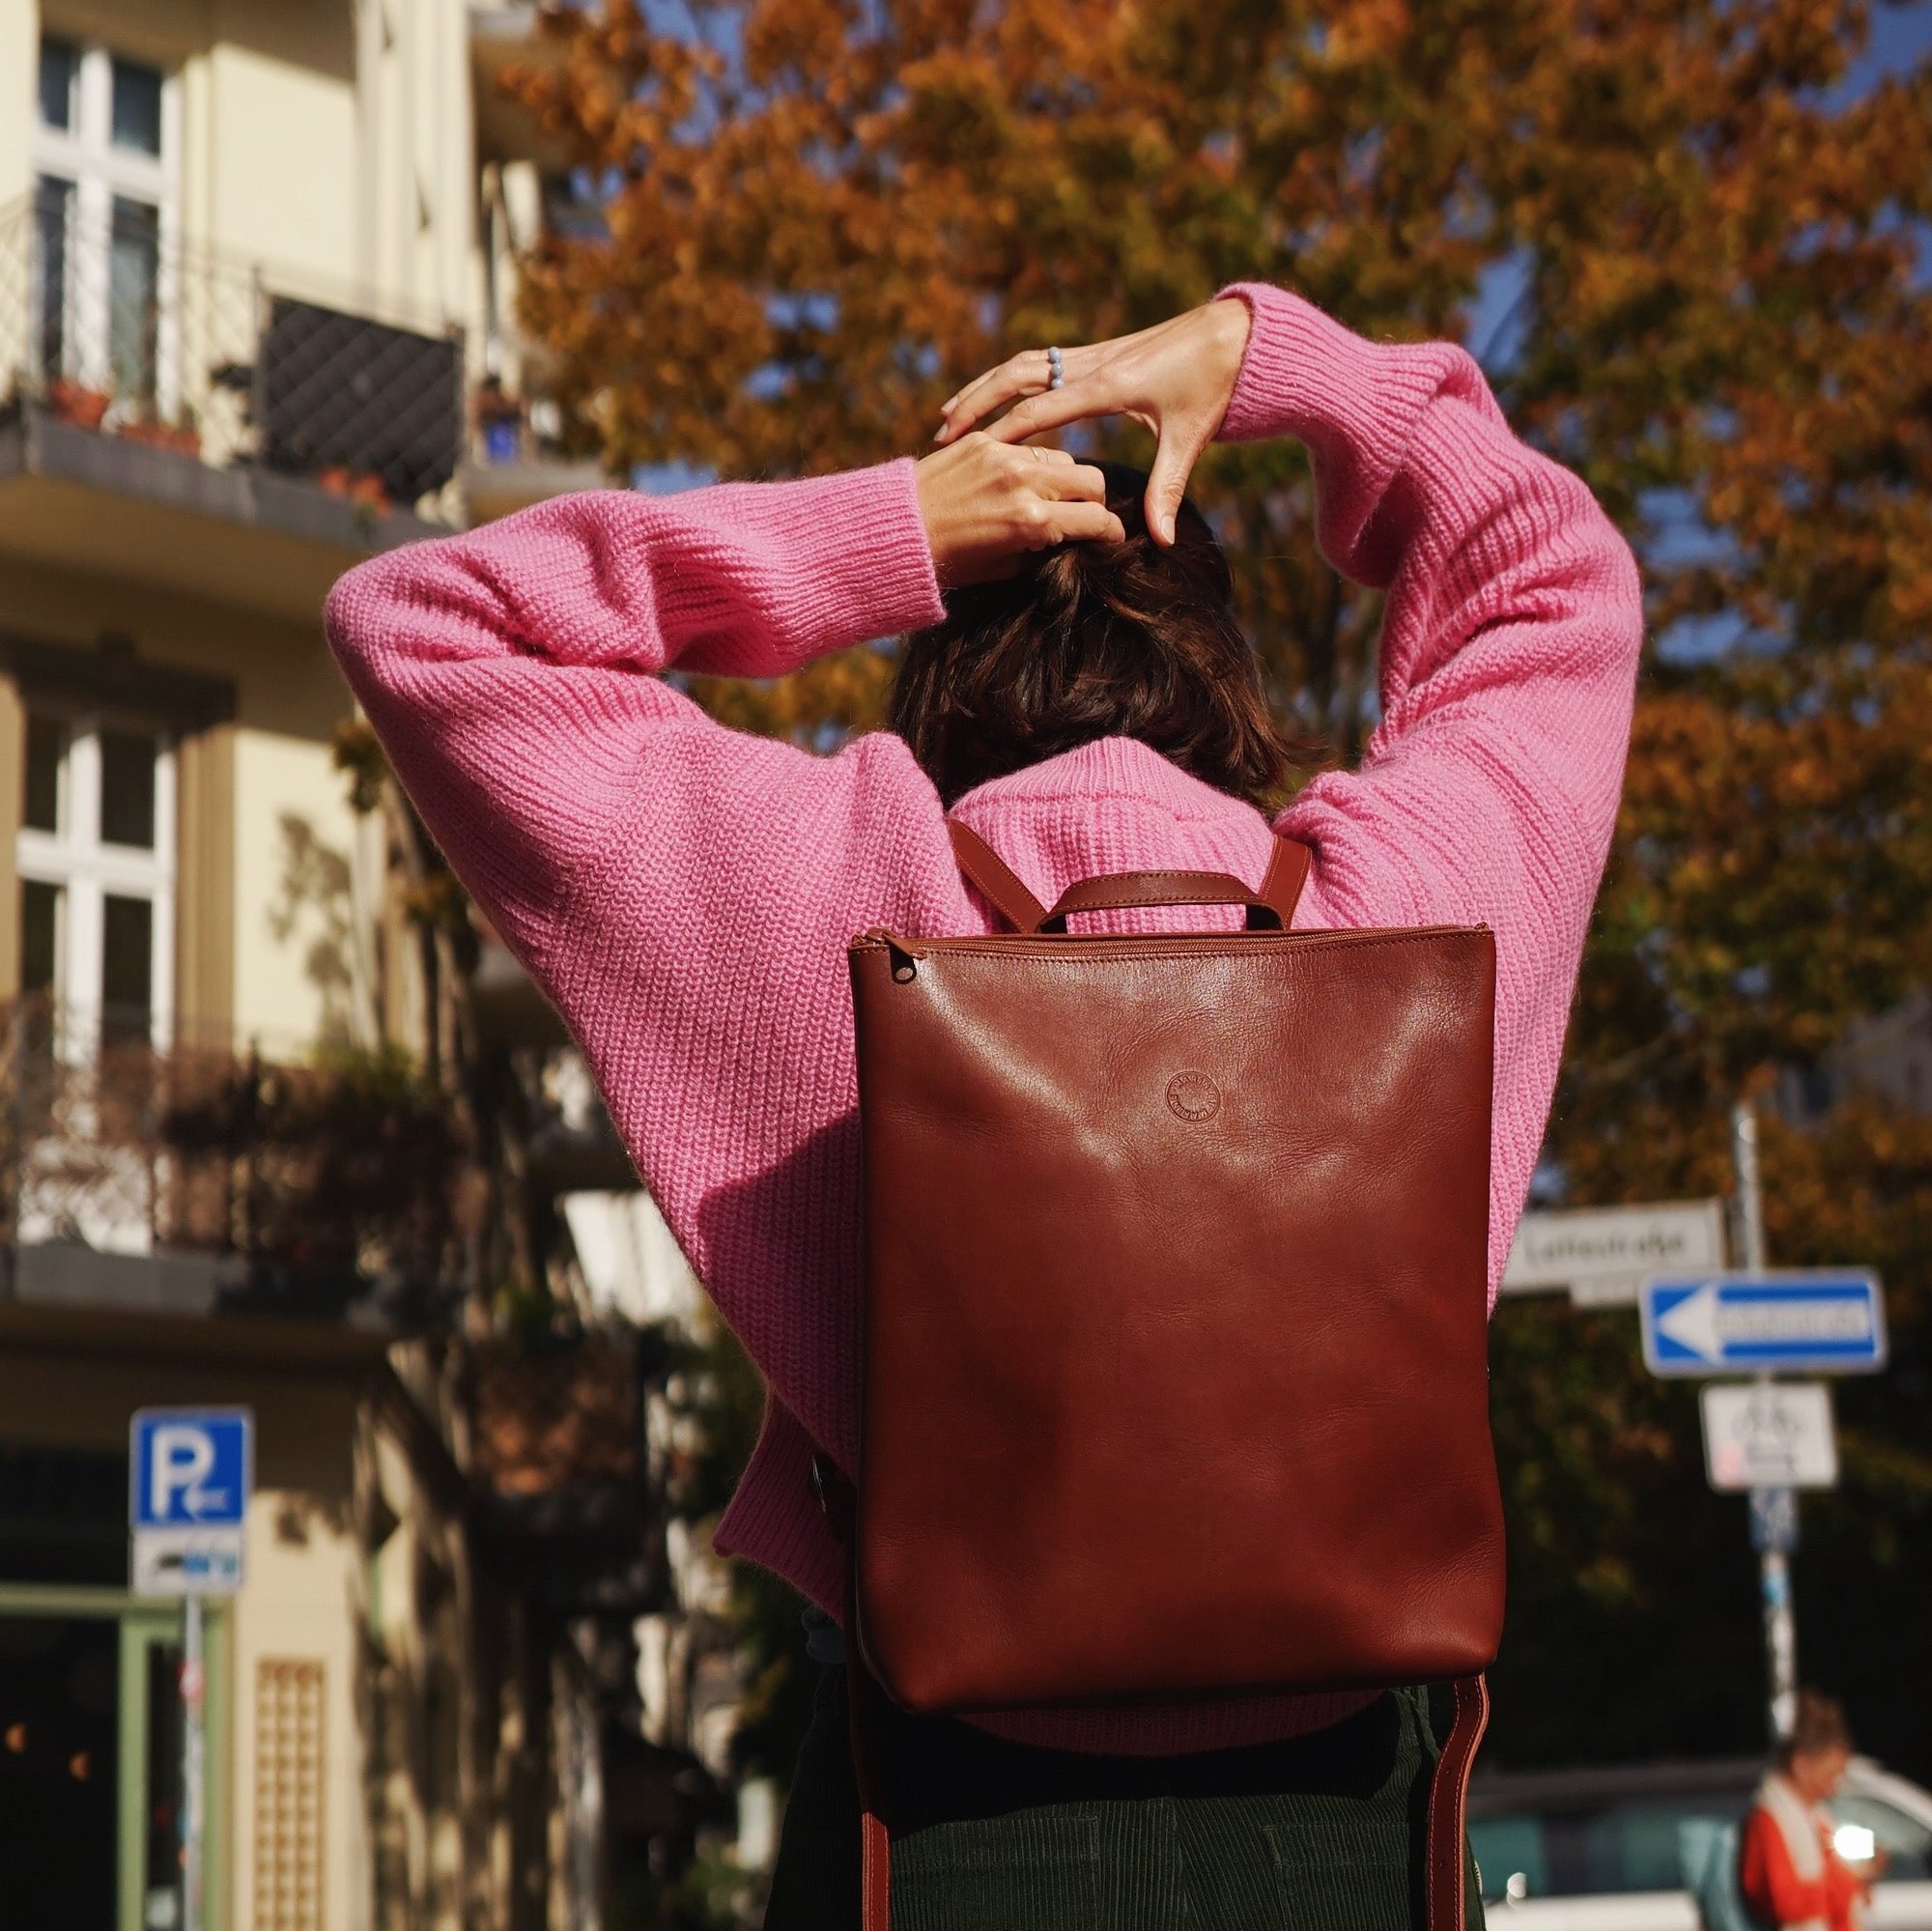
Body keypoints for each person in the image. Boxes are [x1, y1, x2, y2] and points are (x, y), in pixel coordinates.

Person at [326, 283, 1641, 1926]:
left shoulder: (819, 883)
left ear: (941, 639)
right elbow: (1551, 576)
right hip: (1338, 1807)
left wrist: (871, 529)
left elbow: (418, 617)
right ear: (1218, 657)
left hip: (933, 1797)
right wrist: (1274, 367)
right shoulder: (1412, 901)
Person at [1740, 1692, 1878, 1931]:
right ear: (1801, 1764)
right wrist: (1846, 1885)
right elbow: (1785, 1902)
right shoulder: (1769, 1819)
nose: (1833, 1788)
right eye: (1829, 1776)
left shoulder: (1816, 1818)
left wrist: (1855, 1882)